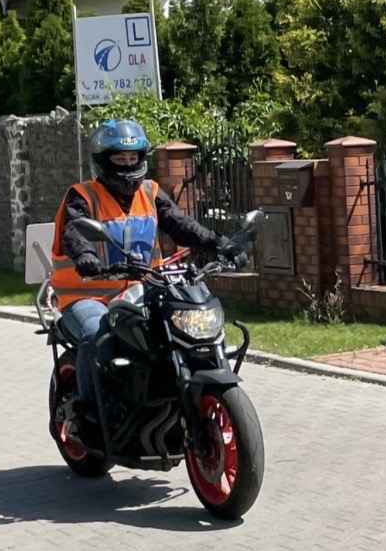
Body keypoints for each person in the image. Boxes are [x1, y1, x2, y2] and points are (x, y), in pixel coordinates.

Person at [49, 118, 246, 428]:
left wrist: (221, 244)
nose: (128, 164)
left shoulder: (150, 191)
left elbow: (181, 225)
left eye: (133, 157)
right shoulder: (82, 195)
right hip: (87, 295)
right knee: (96, 335)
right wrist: (85, 256)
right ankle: (87, 415)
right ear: (103, 160)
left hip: (141, 290)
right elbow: (74, 231)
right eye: (120, 158)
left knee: (175, 329)